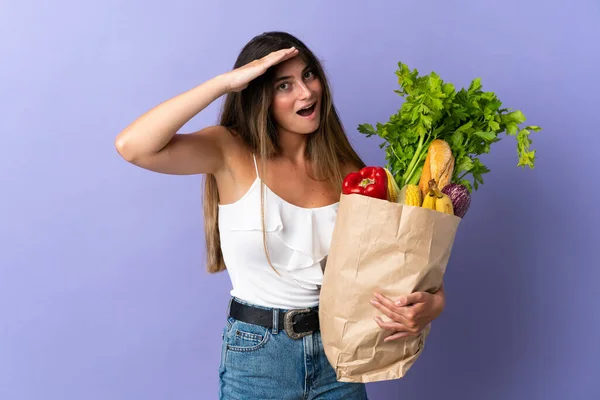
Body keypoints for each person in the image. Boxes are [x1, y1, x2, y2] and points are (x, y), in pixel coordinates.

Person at [115, 31, 446, 400]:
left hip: (339, 353)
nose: (306, 93)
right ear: (258, 96)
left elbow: (391, 261)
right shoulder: (230, 151)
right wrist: (227, 83)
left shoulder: (349, 170)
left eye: (308, 75)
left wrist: (434, 304)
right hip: (259, 359)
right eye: (283, 86)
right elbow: (133, 147)